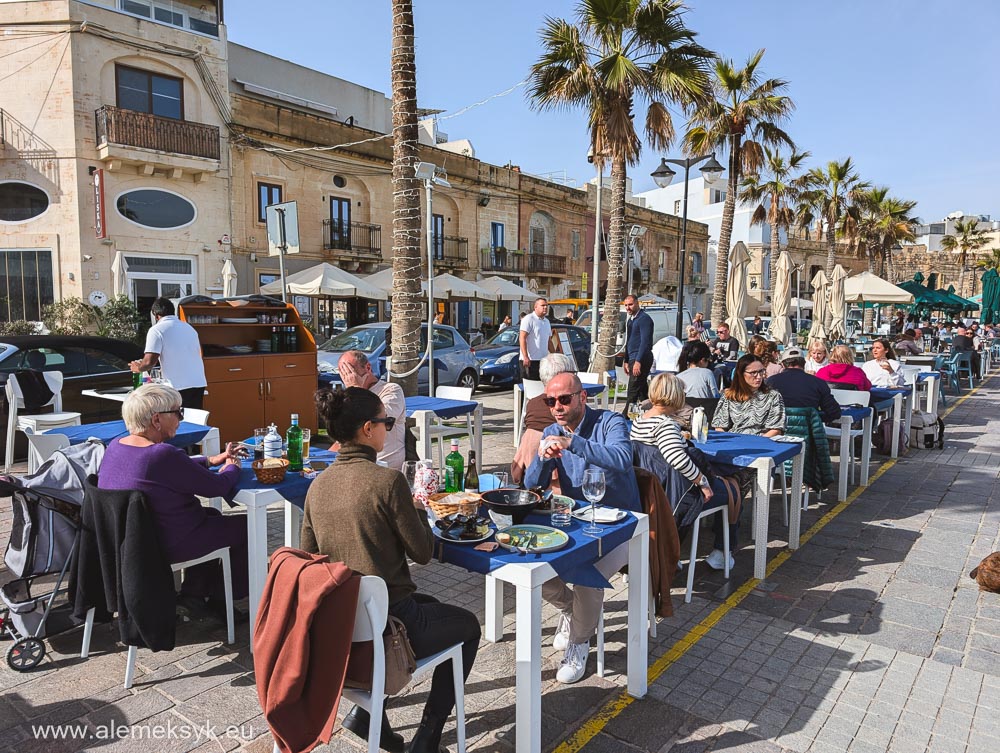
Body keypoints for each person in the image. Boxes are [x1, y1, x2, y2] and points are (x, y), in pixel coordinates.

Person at [302, 387, 479, 753]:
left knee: (431, 604)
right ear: (368, 429)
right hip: (389, 626)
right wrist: (417, 507)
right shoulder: (388, 482)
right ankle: (426, 739)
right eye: (388, 422)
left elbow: (310, 559)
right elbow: (423, 552)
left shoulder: (317, 486)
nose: (390, 428)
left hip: (342, 627)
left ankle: (368, 718)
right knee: (469, 628)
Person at [523, 372, 640, 684]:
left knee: (588, 579)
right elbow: (532, 486)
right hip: (580, 522)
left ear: (582, 397)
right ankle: (574, 613)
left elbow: (622, 458)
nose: (557, 407)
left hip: (624, 526)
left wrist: (572, 442)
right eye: (550, 401)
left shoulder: (610, 422)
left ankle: (578, 643)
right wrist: (541, 458)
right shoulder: (551, 431)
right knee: (531, 562)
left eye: (564, 399)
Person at [97, 384, 248, 616]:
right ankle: (223, 600)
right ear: (156, 419)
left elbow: (173, 469)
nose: (181, 418)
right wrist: (232, 466)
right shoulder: (162, 455)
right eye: (178, 412)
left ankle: (194, 595)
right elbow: (217, 487)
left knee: (212, 516)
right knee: (246, 527)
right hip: (166, 543)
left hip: (132, 542)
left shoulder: (116, 446)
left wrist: (211, 460)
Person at [630, 373, 734, 569]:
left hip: (653, 489)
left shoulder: (640, 421)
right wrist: (702, 482)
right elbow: (676, 458)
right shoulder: (665, 425)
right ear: (676, 396)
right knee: (732, 493)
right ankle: (722, 553)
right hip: (674, 491)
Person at [130, 297, 207, 409]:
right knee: (194, 417)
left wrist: (138, 368)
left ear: (156, 315)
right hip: (198, 382)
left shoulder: (156, 330)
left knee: (175, 417)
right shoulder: (189, 328)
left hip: (177, 385)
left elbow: (148, 362)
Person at [336, 349, 406, 470]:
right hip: (354, 463)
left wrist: (355, 389)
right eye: (343, 372)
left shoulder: (391, 390)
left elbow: (377, 421)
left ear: (368, 368)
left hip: (383, 466)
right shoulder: (348, 396)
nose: (347, 377)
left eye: (350, 370)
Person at [713, 355, 785, 437]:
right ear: (741, 374)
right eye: (753, 373)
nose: (759, 377)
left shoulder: (773, 396)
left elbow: (776, 429)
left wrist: (757, 441)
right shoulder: (729, 396)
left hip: (762, 440)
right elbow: (719, 426)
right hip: (734, 439)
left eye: (761, 371)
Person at [766, 347, 842, 425]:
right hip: (808, 429)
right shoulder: (818, 383)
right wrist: (813, 417)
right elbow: (834, 413)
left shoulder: (770, 382)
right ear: (804, 363)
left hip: (777, 430)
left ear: (782, 364)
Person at [622, 294, 654, 410]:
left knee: (633, 390)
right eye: (626, 305)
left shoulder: (644, 319)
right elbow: (628, 341)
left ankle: (625, 415)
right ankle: (650, 411)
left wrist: (638, 361)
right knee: (641, 391)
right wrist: (626, 360)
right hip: (632, 357)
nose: (628, 308)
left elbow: (645, 342)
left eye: (630, 305)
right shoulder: (630, 321)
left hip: (641, 358)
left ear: (637, 303)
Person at [519, 297, 553, 381]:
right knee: (530, 385)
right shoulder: (529, 319)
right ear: (535, 307)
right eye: (542, 305)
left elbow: (549, 341)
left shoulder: (547, 321)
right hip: (530, 360)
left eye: (546, 305)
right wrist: (525, 357)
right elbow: (522, 338)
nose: (545, 307)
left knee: (542, 384)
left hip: (543, 360)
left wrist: (554, 355)